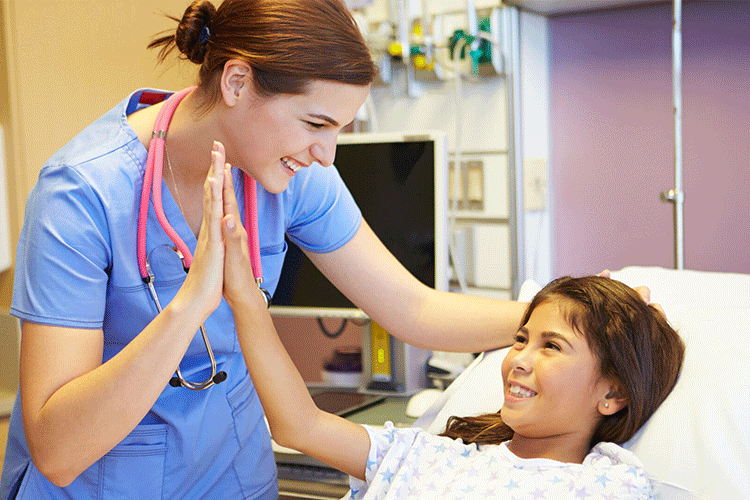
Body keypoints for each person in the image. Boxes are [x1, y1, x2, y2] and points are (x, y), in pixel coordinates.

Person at [0, 0, 535, 498]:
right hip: (101, 482)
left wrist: (571, 314)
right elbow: (58, 450)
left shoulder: (290, 174)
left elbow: (412, 308)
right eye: (315, 124)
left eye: (340, 130)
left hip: (233, 472)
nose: (326, 155)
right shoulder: (81, 193)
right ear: (237, 81)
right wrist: (190, 306)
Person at [224, 195, 684, 500]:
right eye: (520, 339)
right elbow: (298, 427)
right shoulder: (431, 455)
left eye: (551, 347)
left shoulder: (603, 485)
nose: (519, 359)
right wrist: (244, 296)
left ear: (613, 394)